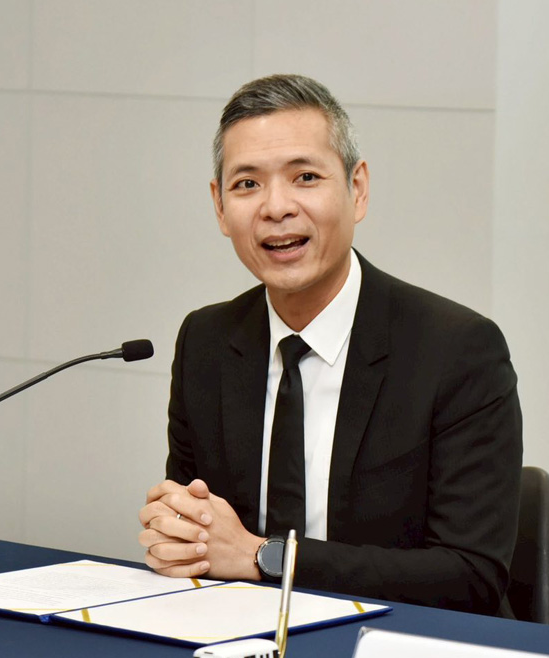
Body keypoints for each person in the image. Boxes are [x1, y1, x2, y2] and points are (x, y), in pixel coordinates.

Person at [138, 74, 522, 616]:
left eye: (305, 177)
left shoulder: (457, 350)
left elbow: (471, 576)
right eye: (247, 184)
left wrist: (268, 558)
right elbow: (202, 534)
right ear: (220, 207)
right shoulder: (206, 341)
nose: (276, 207)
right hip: (239, 634)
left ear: (357, 189)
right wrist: (177, 533)